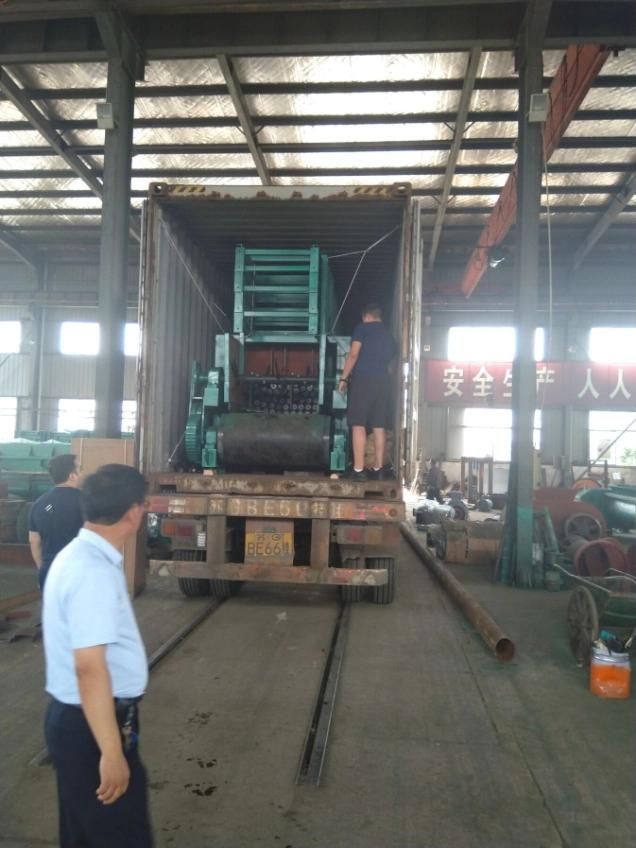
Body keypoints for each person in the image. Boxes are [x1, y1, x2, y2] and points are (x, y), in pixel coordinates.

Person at [42, 464, 152, 848]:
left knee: (83, 835)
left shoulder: (78, 556)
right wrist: (110, 751)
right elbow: (89, 667)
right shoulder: (92, 571)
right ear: (134, 511)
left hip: (80, 719)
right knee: (120, 836)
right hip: (91, 726)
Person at [338, 303, 397, 480]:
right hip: (383, 381)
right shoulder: (389, 336)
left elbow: (353, 354)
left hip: (364, 379)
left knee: (358, 424)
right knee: (379, 425)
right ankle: (378, 470)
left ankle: (358, 470)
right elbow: (391, 365)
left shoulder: (362, 328)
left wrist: (343, 378)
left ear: (366, 317)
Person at [29, 453, 83, 590]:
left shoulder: (39, 503)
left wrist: (43, 568)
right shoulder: (86, 502)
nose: (82, 473)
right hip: (78, 571)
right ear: (72, 476)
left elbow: (34, 541)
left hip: (49, 570)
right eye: (80, 469)